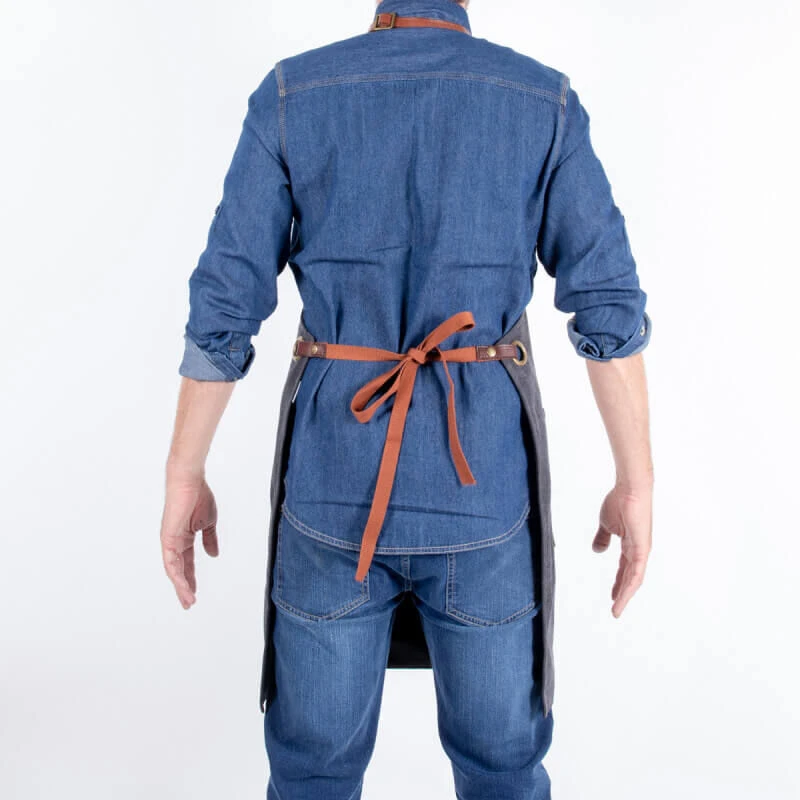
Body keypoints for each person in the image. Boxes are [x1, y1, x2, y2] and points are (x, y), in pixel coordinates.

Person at [160, 1, 654, 797]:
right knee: (503, 773)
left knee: (313, 777)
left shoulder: (292, 93)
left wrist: (184, 472)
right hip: (483, 499)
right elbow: (609, 305)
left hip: (331, 493)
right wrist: (636, 481)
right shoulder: (542, 101)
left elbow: (224, 306)